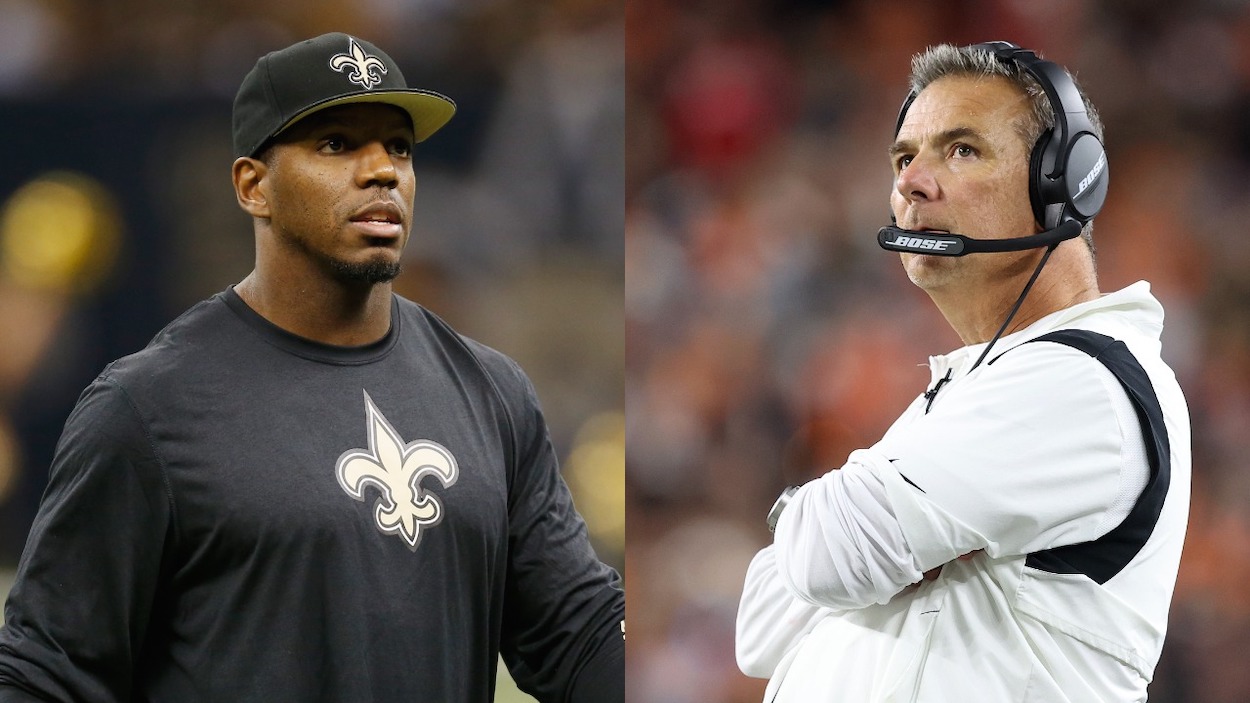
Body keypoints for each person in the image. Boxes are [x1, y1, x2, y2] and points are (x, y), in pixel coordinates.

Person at [0, 32, 624, 703]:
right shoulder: (148, 408)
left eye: (399, 147)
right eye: (337, 144)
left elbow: (578, 632)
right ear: (253, 186)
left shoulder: (492, 392)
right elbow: (46, 673)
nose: (382, 169)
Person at [735, 41, 1189, 701]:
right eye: (903, 157)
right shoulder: (973, 388)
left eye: (961, 150)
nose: (911, 182)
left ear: (1064, 180)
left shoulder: (1081, 381)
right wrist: (859, 530)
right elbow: (759, 625)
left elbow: (827, 554)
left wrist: (850, 529)